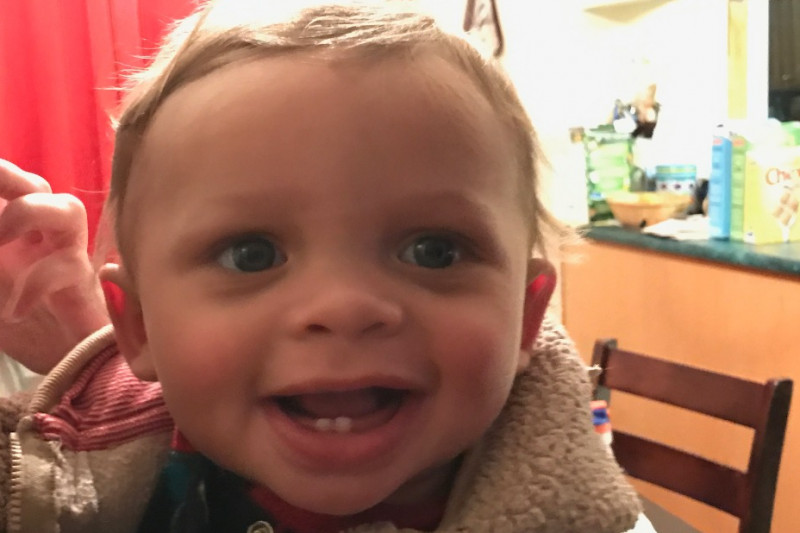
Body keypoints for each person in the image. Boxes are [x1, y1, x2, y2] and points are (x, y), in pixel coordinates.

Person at [0, 1, 643, 531]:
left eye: (434, 251)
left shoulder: (584, 515)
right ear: (139, 326)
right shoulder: (67, 483)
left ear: (526, 316)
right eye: (251, 255)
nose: (344, 306)